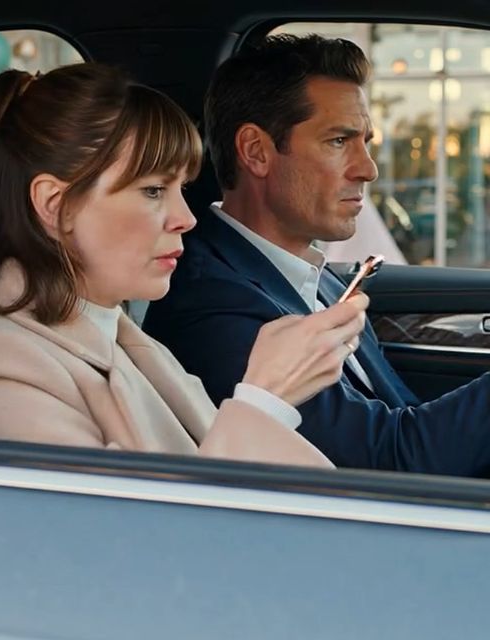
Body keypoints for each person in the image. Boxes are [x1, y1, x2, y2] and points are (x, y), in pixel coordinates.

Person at [0, 62, 368, 469]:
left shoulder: (132, 345)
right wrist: (265, 399)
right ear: (55, 205)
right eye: (153, 190)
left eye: (180, 188)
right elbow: (122, 514)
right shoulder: (3, 373)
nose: (186, 217)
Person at [143, 34, 490, 477]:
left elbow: (399, 416)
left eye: (365, 141)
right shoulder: (210, 304)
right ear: (256, 152)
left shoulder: (311, 276)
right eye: (339, 141)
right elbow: (388, 464)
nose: (368, 168)